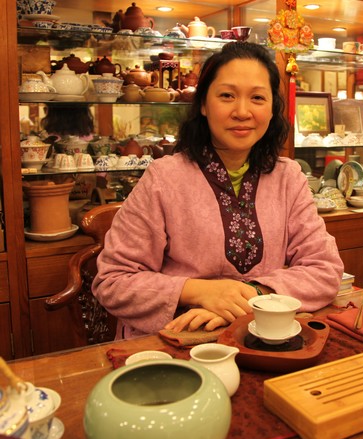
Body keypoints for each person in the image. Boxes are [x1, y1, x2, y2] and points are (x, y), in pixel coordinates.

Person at [92, 42, 344, 339]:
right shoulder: (164, 178)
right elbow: (113, 282)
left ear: (273, 107)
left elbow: (325, 269)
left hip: (262, 335)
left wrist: (250, 295)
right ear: (203, 104)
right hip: (177, 342)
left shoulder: (288, 177)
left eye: (258, 98)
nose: (242, 111)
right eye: (227, 95)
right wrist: (199, 291)